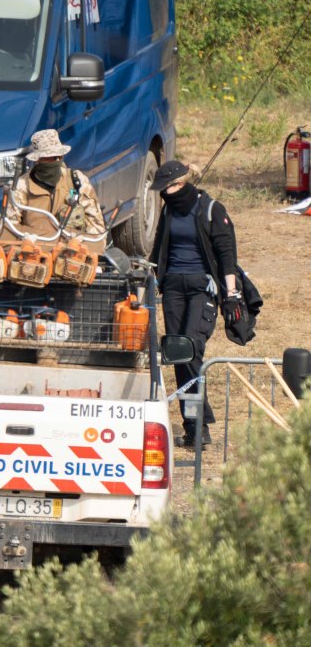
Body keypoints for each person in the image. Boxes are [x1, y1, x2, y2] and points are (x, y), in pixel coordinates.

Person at [149, 160, 239, 449]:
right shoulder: (168, 210)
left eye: (167, 188)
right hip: (173, 287)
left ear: (180, 184)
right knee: (177, 352)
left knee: (191, 349)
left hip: (202, 287)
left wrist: (232, 294)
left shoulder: (211, 209)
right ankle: (193, 428)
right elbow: (158, 248)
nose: (164, 194)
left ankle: (200, 423)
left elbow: (227, 255)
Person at [6, 128, 105, 240]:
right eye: (46, 159)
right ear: (37, 160)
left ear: (61, 157)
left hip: (72, 249)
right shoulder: (22, 186)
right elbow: (11, 227)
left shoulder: (77, 181)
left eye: (56, 157)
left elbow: (96, 225)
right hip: (36, 249)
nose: (53, 161)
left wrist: (89, 247)